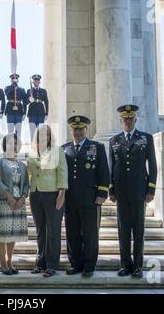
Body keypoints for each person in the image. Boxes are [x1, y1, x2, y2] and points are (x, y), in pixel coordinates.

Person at [109, 105, 157, 279]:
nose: (127, 122)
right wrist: (111, 189)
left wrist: (151, 188)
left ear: (135, 120)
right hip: (121, 192)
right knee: (123, 231)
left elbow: (152, 165)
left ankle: (137, 266)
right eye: (124, 119)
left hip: (139, 191)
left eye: (130, 119)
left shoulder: (145, 138)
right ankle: (125, 265)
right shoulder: (114, 140)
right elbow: (111, 167)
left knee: (138, 231)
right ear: (121, 121)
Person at [63, 115, 110, 278]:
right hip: (70, 199)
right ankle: (76, 264)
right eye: (75, 129)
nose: (78, 132)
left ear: (85, 129)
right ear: (71, 130)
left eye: (80, 129)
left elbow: (104, 171)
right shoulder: (65, 148)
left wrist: (102, 193)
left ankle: (89, 266)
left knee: (90, 233)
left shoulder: (97, 147)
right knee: (72, 233)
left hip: (90, 199)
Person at [27, 124, 68, 277]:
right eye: (41, 134)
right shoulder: (31, 153)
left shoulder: (58, 151)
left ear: (50, 136)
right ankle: (40, 262)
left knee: (53, 230)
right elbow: (28, 174)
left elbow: (62, 172)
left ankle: (52, 264)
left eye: (46, 134)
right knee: (40, 230)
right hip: (35, 194)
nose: (44, 137)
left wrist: (62, 192)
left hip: (53, 194)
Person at [0, 133, 29, 275]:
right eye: (9, 142)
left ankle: (9, 261)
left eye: (14, 143)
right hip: (4, 202)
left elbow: (26, 184)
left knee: (12, 233)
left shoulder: (22, 165)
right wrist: (8, 196)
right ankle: (2, 263)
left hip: (19, 203)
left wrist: (23, 197)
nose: (12, 145)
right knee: (2, 233)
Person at [4, 74, 28, 140]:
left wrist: (24, 113)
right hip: (10, 110)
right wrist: (13, 86)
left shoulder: (22, 89)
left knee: (18, 130)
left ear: (18, 80)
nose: (14, 80)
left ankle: (17, 146)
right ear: (11, 80)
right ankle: (10, 145)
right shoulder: (7, 88)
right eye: (13, 79)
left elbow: (25, 102)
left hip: (19, 111)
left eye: (16, 79)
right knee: (10, 130)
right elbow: (7, 94)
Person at [27, 75, 49, 140]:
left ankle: (40, 147)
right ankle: (33, 147)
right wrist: (29, 100)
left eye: (37, 80)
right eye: (35, 80)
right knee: (32, 132)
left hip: (41, 113)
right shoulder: (29, 91)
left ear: (39, 82)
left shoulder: (43, 91)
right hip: (31, 113)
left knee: (41, 132)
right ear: (33, 82)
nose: (36, 81)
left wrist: (46, 113)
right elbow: (25, 102)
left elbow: (46, 102)